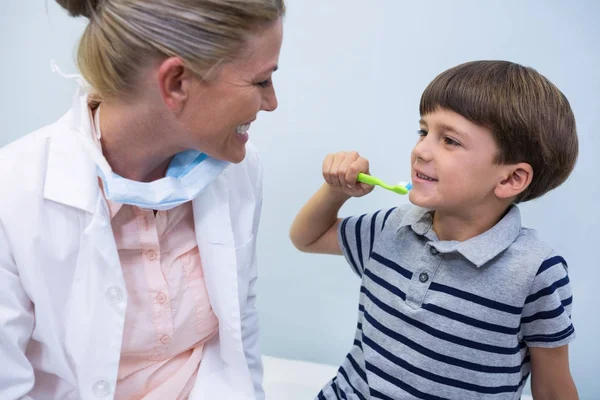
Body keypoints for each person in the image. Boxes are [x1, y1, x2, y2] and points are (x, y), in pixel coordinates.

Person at [0, 0, 284, 399]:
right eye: (260, 82)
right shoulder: (12, 196)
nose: (271, 102)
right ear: (177, 83)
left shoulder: (237, 168)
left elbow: (240, 330)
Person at [290, 60, 579, 399]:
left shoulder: (535, 273)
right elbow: (305, 238)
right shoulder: (392, 226)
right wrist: (336, 191)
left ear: (511, 178)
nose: (420, 150)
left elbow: (553, 388)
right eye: (423, 132)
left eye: (450, 140)